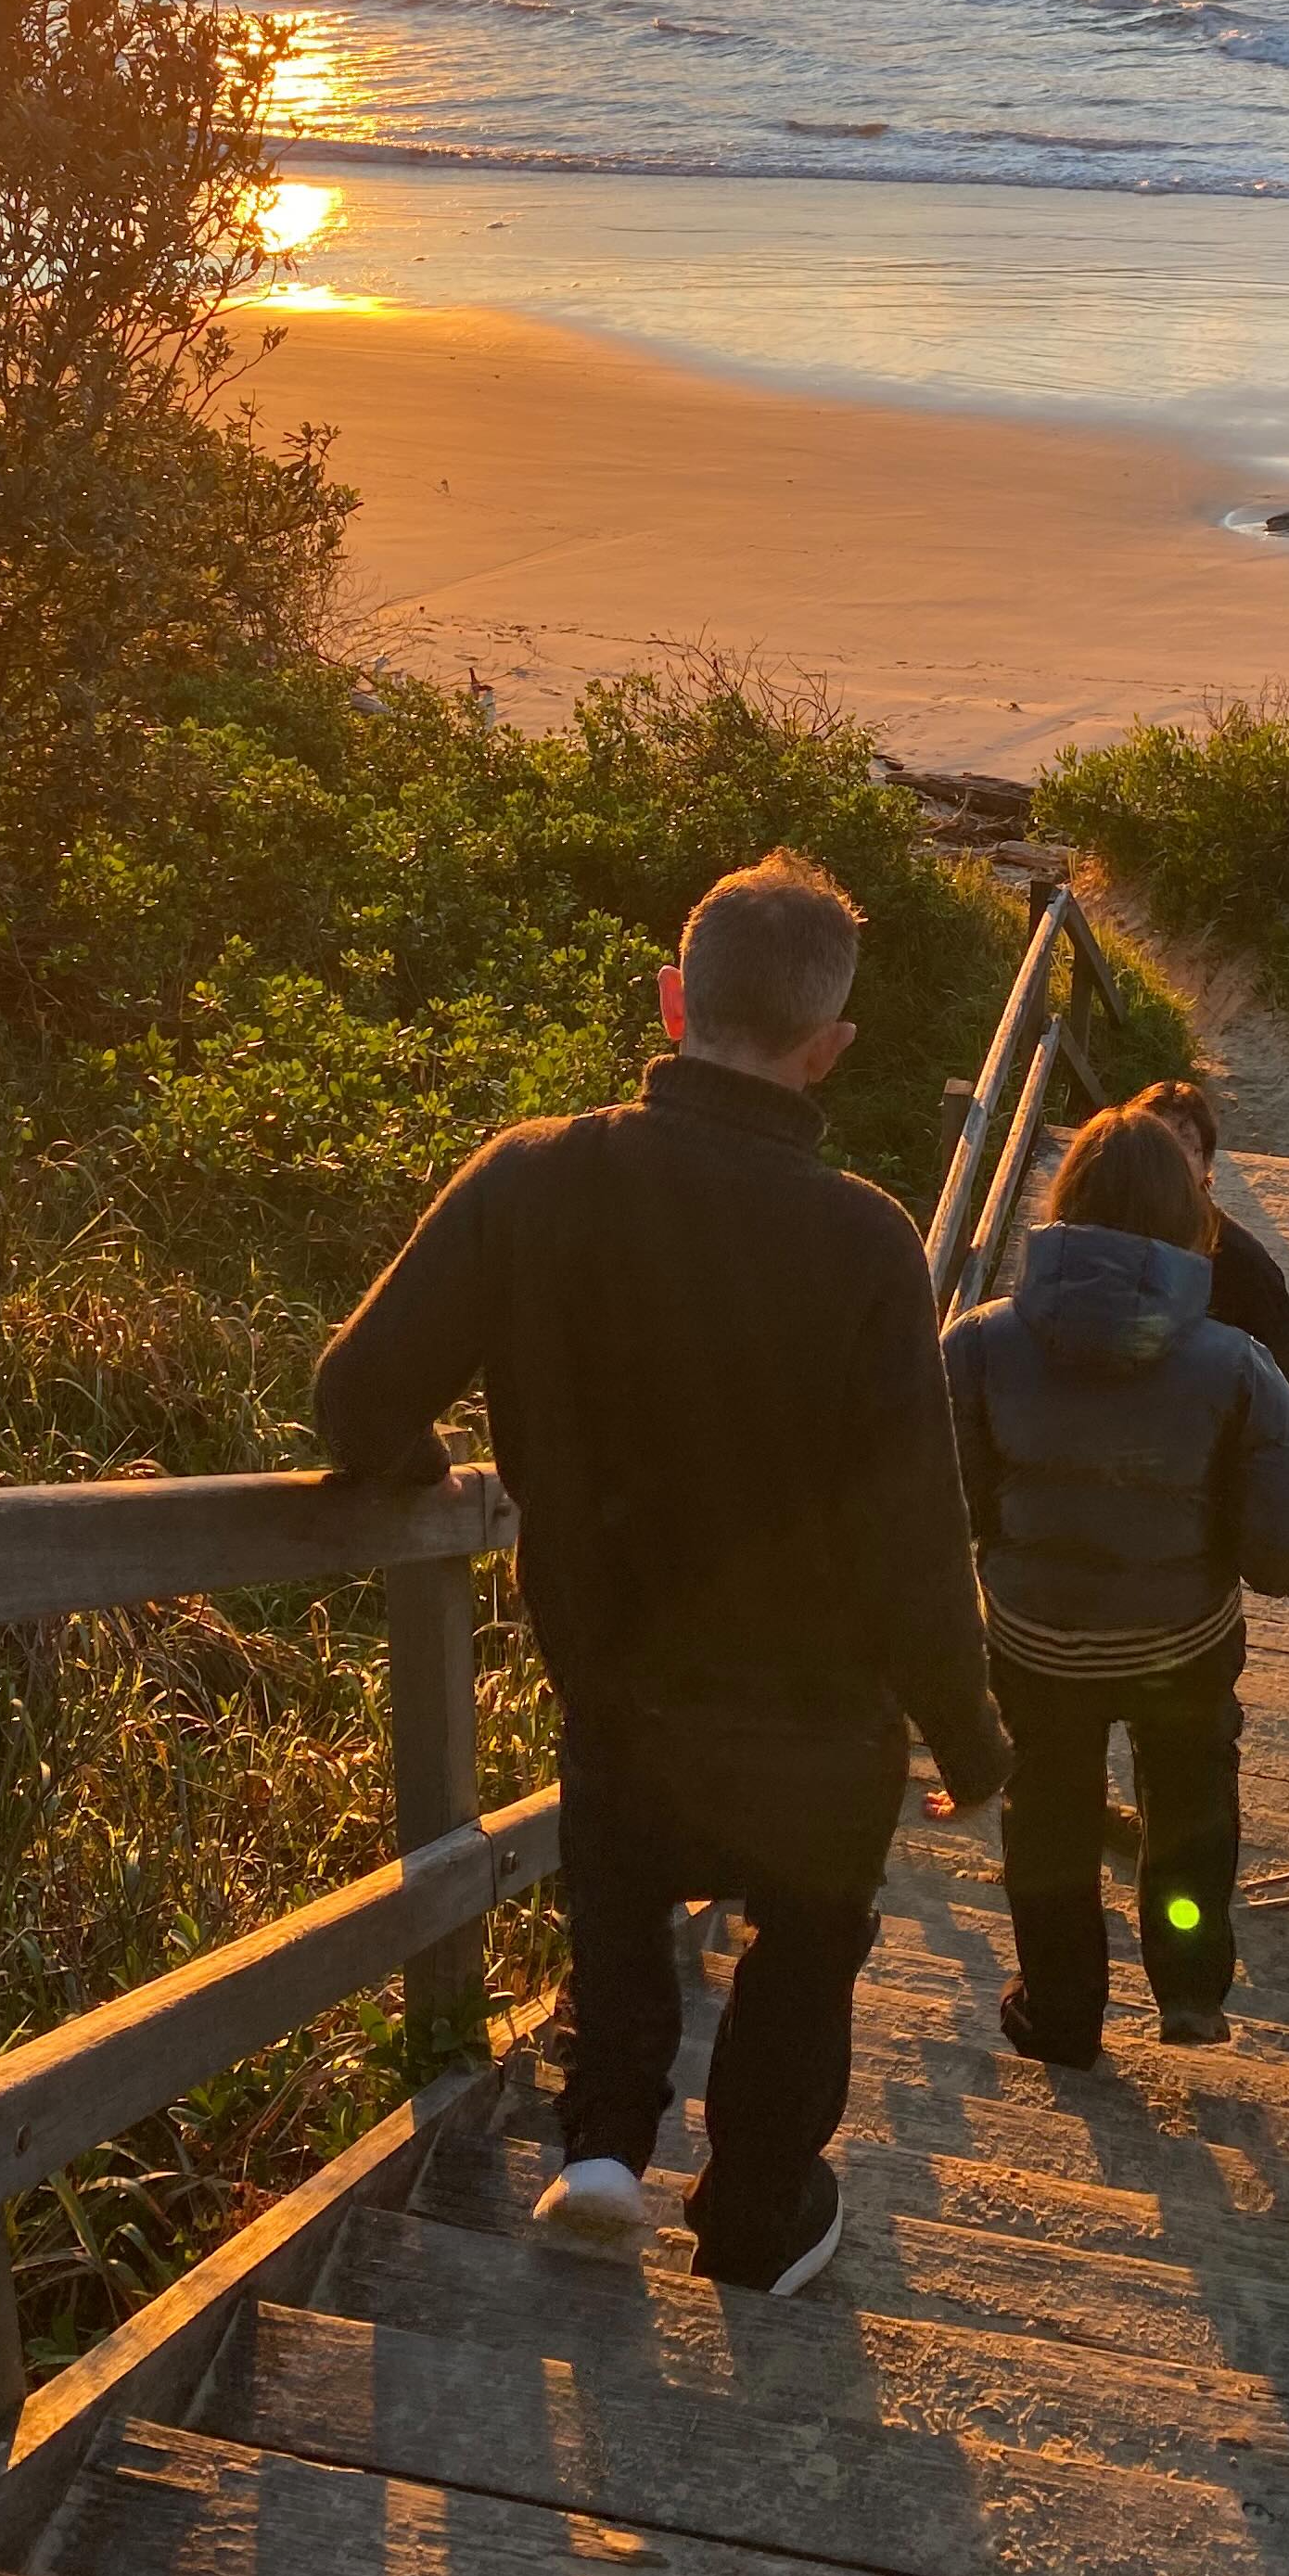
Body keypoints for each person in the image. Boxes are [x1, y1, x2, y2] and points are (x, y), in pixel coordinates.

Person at [313, 850, 1009, 2298]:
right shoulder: (868, 1239)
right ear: (833, 1048)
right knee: (804, 1954)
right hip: (826, 1721)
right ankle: (756, 2212)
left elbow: (359, 1395)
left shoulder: (535, 1175)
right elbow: (912, 1525)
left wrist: (414, 1464)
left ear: (673, 997)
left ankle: (606, 2146)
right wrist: (970, 1730)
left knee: (619, 1898)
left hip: (623, 1688)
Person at [943, 1107, 1289, 2066]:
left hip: (1035, 1639)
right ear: (1188, 1215)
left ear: (1064, 1202)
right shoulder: (1236, 1365)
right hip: (1183, 1640)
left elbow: (936, 1496)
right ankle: (1191, 1985)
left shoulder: (978, 1344)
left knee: (1049, 1816)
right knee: (1191, 1794)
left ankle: (1062, 2010)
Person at [1129, 1078, 1289, 1436]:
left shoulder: (1245, 1267)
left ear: (1205, 1164)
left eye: (1178, 1152)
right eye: (1149, 1153)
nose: (1161, 1171)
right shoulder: (1108, 1241)